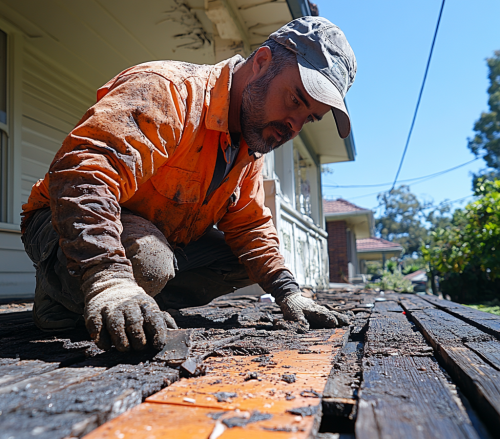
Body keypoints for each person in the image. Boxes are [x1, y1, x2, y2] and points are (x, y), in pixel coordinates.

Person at [21, 16, 357, 353]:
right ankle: (68, 298)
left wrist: (289, 292)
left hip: (151, 239)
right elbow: (83, 173)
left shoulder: (248, 146)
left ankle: (136, 300)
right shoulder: (168, 91)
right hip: (60, 220)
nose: (294, 126)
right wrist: (107, 278)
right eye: (296, 101)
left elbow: (251, 226)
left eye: (310, 118)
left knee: (244, 262)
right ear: (262, 62)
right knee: (150, 261)